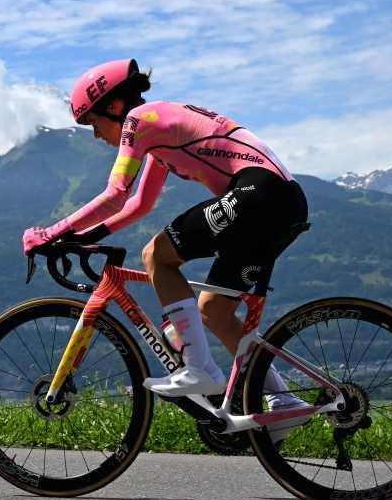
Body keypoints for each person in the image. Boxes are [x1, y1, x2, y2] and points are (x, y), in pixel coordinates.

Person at [22, 59, 310, 411]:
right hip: (282, 202)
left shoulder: (138, 122)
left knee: (156, 255)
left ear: (113, 107)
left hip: (261, 194)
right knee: (215, 310)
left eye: (94, 123)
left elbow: (116, 195)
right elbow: (139, 205)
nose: (96, 135)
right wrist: (81, 236)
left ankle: (200, 369)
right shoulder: (159, 136)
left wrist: (52, 233)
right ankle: (283, 400)